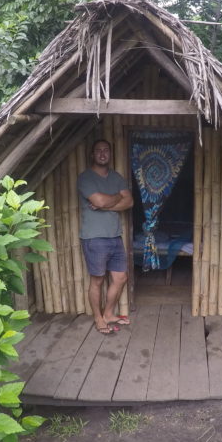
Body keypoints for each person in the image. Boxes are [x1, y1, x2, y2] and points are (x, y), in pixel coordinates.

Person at [77, 139, 133, 334]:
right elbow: (99, 200)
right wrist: (116, 197)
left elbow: (129, 201)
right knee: (97, 280)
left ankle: (108, 314)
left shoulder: (116, 178)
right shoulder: (86, 178)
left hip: (115, 236)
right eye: (98, 150)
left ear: (110, 154)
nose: (102, 153)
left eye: (106, 150)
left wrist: (106, 203)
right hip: (94, 237)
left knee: (120, 277)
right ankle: (98, 318)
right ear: (92, 155)